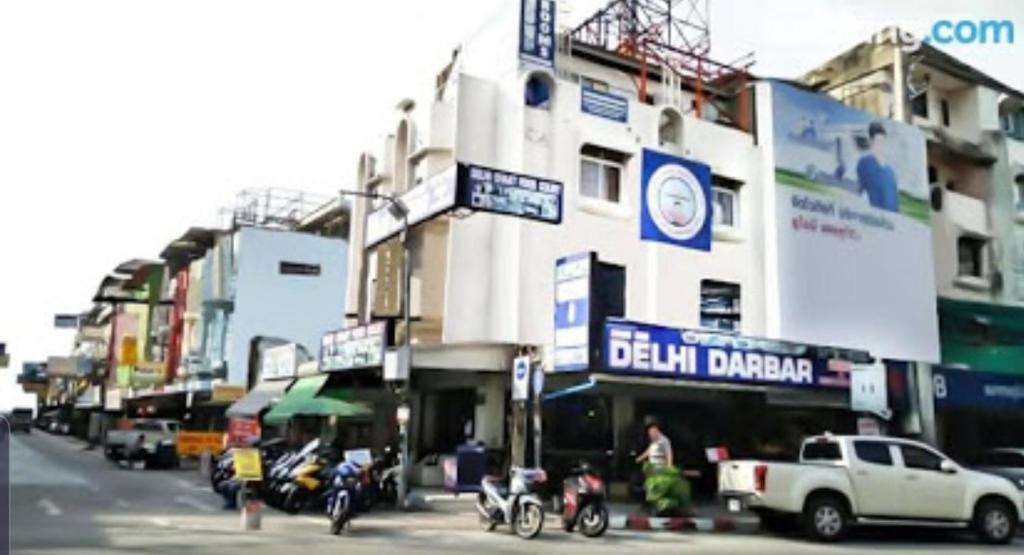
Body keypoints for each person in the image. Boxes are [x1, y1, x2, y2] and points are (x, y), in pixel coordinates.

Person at [855, 122, 900, 213]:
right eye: (878, 142)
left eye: (883, 142)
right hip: (875, 219)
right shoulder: (865, 163)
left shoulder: (890, 172)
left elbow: (895, 204)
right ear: (871, 142)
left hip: (891, 222)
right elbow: (859, 192)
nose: (881, 146)